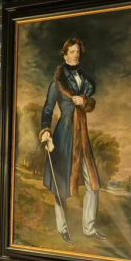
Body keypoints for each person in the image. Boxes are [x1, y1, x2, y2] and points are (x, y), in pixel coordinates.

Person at [39, 37, 106, 243]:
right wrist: (45, 130)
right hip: (65, 135)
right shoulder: (57, 83)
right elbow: (48, 109)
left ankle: (89, 228)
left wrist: (83, 100)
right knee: (60, 183)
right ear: (65, 55)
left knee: (93, 183)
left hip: (82, 136)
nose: (75, 54)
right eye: (72, 51)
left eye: (78, 51)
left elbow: (90, 102)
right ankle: (63, 228)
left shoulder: (85, 80)